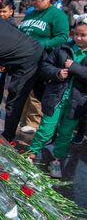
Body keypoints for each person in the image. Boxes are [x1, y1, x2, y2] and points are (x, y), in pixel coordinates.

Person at [28, 18, 87, 178]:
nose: (78, 38)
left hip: (77, 102)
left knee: (66, 133)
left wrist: (74, 67)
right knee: (46, 128)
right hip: (56, 97)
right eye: (76, 34)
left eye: (83, 35)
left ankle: (57, 160)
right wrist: (57, 73)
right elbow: (46, 65)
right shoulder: (64, 48)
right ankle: (31, 154)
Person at [18, 0, 70, 134]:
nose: (33, 2)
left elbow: (62, 37)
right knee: (23, 90)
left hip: (44, 59)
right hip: (26, 59)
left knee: (36, 92)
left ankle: (33, 122)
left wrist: (42, 44)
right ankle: (22, 120)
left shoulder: (57, 15)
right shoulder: (31, 13)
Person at [0, 0, 18, 118]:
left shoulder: (12, 25)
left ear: (11, 11)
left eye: (4, 11)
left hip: (4, 60)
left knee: (0, 84)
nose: (1, 14)